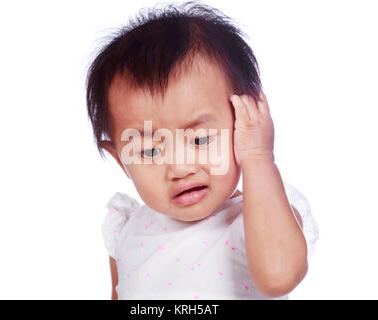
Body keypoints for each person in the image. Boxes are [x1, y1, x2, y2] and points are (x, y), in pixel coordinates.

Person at [86, 2, 319, 300]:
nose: (180, 168)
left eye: (200, 140)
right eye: (148, 152)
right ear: (121, 161)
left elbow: (279, 278)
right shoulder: (126, 231)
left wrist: (258, 157)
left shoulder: (259, 216)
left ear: (242, 124)